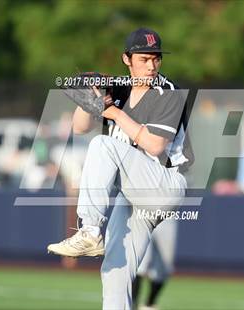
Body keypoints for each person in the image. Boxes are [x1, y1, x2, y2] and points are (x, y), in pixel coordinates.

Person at [47, 27, 193, 309]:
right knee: (115, 271)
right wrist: (91, 100)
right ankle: (92, 237)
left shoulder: (167, 92)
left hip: (163, 185)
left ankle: (89, 230)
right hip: (133, 195)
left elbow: (154, 145)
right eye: (144, 59)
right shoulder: (118, 88)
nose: (151, 65)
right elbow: (79, 128)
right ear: (127, 59)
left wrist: (111, 110)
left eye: (156, 59)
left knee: (103, 146)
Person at [132, 219, 177, 310]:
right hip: (143, 216)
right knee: (139, 263)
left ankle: (149, 304)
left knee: (164, 266)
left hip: (167, 217)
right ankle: (132, 304)